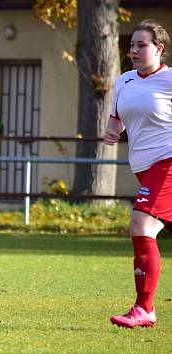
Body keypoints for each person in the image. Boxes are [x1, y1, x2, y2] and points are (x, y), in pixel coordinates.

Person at [104, 19, 171, 329]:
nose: (134, 51)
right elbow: (117, 117)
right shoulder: (125, 81)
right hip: (144, 170)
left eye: (141, 45)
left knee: (140, 222)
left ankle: (144, 308)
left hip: (167, 163)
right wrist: (112, 131)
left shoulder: (169, 80)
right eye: (132, 45)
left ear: (159, 49)